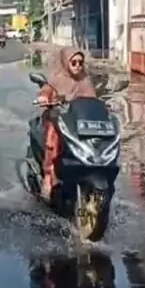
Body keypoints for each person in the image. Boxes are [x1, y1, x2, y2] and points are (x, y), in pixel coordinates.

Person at [36, 47, 96, 200]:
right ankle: (49, 176)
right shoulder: (56, 77)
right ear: (65, 62)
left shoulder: (84, 79)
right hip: (56, 116)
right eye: (74, 62)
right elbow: (46, 90)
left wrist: (101, 106)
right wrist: (44, 97)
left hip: (77, 119)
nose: (77, 66)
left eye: (80, 63)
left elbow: (92, 97)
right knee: (53, 137)